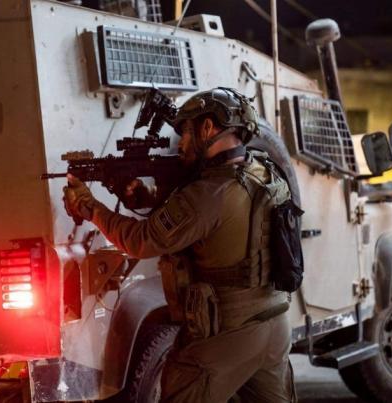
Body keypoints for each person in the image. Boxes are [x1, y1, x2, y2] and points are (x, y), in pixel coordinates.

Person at [63, 87, 297, 403]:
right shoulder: (264, 172)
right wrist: (146, 197)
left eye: (185, 131)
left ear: (208, 128)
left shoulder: (208, 193)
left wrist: (90, 208)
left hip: (227, 333)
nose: (181, 143)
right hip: (274, 323)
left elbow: (140, 241)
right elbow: (215, 225)